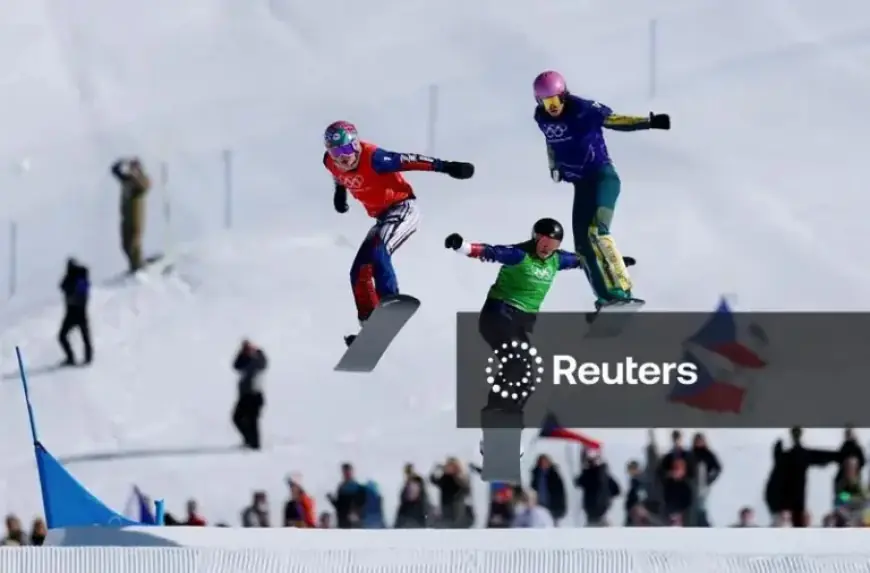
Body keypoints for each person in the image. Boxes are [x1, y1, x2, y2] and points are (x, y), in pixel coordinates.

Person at [322, 120, 474, 344]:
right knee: (359, 271)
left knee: (378, 250)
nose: (343, 157)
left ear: (356, 144)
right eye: (336, 153)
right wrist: (340, 193)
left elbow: (410, 160)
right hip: (382, 218)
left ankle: (390, 300)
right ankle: (370, 324)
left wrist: (448, 167)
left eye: (347, 149)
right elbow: (337, 175)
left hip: (403, 208)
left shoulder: (374, 158)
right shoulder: (330, 162)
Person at [532, 70, 670, 309]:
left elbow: (613, 120)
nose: (552, 107)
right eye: (546, 102)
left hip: (602, 178)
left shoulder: (583, 109)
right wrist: (553, 165)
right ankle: (605, 299)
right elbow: (550, 141)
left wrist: (648, 122)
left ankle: (622, 292)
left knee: (596, 231)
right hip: (582, 186)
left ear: (564, 96)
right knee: (582, 247)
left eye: (555, 101)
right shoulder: (541, 117)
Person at [444, 218, 583, 414]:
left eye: (553, 245)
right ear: (535, 238)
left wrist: (616, 264)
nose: (547, 249)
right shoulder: (519, 254)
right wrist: (462, 246)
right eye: (544, 242)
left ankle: (509, 418)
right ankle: (496, 409)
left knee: (528, 377)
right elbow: (491, 252)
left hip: (519, 324)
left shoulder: (556, 259)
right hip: (499, 316)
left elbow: (583, 261)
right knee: (515, 363)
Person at [111, 157, 151, 273]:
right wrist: (119, 165)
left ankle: (137, 265)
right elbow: (115, 171)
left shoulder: (141, 181)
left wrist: (136, 175)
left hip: (135, 216)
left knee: (134, 242)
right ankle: (133, 265)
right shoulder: (127, 180)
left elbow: (144, 186)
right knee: (125, 244)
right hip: (125, 216)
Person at [231, 339, 268, 450]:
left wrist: (257, 351)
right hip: (244, 395)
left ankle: (255, 445)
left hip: (255, 395)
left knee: (252, 420)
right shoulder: (245, 361)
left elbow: (263, 363)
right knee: (237, 418)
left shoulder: (257, 361)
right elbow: (236, 366)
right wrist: (241, 354)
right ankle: (249, 440)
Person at [58, 257, 92, 366]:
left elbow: (64, 288)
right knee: (84, 337)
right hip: (80, 312)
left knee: (62, 336)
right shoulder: (77, 278)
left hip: (74, 312)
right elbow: (62, 286)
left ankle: (73, 358)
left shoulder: (77, 278)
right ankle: (87, 358)